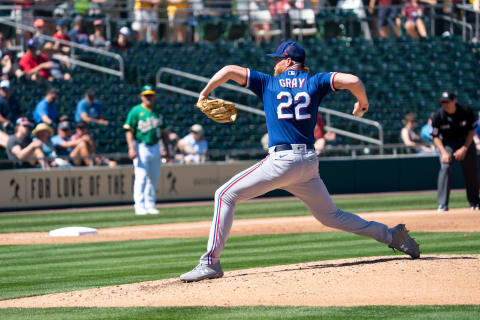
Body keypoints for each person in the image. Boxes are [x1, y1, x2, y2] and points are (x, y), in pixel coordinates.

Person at [179, 41, 420, 282]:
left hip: (282, 161)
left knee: (224, 195)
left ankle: (210, 262)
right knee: (330, 216)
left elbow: (229, 70)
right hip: (308, 163)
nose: (274, 63)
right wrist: (362, 104)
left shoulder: (267, 82)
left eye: (277, 59)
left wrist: (205, 93)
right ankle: (391, 236)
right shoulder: (315, 81)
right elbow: (354, 81)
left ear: (289, 61)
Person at [123, 85, 171, 215]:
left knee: (154, 177)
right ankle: (139, 205)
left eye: (151, 95)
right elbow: (128, 130)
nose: (148, 98)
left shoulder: (158, 111)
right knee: (141, 176)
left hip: (155, 146)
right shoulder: (136, 110)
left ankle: (150, 204)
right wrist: (131, 148)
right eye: (146, 95)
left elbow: (164, 132)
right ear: (141, 97)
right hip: (141, 146)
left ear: (154, 96)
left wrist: (167, 149)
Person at [431, 91, 480, 212]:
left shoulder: (466, 111)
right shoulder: (438, 115)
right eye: (443, 102)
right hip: (447, 143)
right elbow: (435, 136)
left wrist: (464, 148)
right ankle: (442, 204)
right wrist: (443, 152)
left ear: (454, 101)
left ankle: (475, 202)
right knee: (445, 167)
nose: (445, 104)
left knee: (471, 172)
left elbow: (471, 131)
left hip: (465, 142)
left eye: (447, 101)